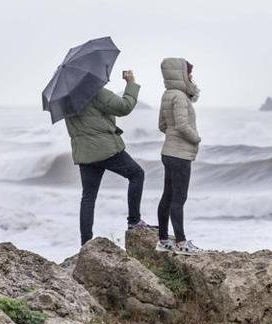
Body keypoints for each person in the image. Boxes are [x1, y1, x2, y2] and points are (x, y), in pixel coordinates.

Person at [65, 70, 150, 245]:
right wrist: (131, 83)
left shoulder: (67, 99)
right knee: (137, 174)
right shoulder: (93, 90)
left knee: (88, 196)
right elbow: (124, 107)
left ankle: (86, 243)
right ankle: (134, 221)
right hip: (106, 149)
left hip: (85, 153)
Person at [156, 58, 203, 255]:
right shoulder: (181, 97)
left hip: (168, 152)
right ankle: (182, 243)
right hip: (180, 155)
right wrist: (196, 138)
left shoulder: (168, 94)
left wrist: (173, 135)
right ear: (181, 75)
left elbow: (162, 125)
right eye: (189, 73)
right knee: (179, 198)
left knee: (167, 196)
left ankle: (163, 240)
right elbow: (183, 126)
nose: (191, 77)